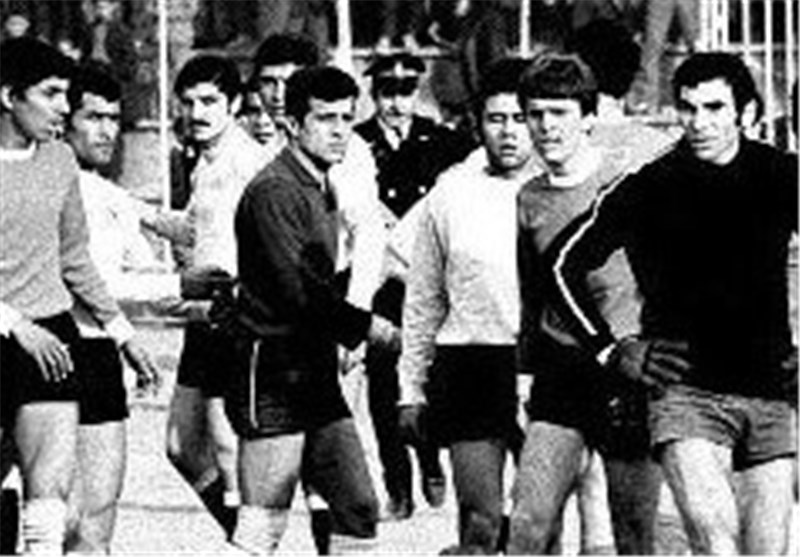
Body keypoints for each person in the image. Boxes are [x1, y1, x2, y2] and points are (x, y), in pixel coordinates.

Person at [555, 52, 798, 554]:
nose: (699, 123)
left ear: (747, 112)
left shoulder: (781, 175)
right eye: (688, 108)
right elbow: (562, 266)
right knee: (715, 543)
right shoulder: (651, 185)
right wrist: (611, 349)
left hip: (770, 391)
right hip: (684, 393)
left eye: (714, 108)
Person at [226, 65, 397, 555]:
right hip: (272, 364)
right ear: (293, 124)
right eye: (325, 119)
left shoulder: (322, 183)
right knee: (263, 520)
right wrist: (371, 329)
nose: (340, 131)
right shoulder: (275, 190)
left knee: (358, 506)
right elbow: (300, 294)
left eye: (346, 118)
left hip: (313, 365)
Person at [0, 36, 155, 554]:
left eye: (66, 95)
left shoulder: (60, 159)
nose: (63, 108)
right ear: (8, 96)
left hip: (52, 338)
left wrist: (122, 332)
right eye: (50, 94)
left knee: (50, 503)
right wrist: (14, 325)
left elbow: (74, 258)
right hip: (12, 330)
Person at [507, 52, 663, 555]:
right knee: (528, 521)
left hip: (625, 370)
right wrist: (524, 371)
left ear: (589, 117)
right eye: (535, 114)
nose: (546, 127)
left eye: (559, 113)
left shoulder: (626, 187)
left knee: (634, 533)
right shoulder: (528, 198)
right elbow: (533, 291)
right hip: (561, 370)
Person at [396, 57, 536, 554]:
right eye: (497, 119)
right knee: (479, 523)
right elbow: (423, 300)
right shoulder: (451, 192)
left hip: (544, 365)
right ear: (477, 124)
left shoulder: (561, 189)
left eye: (521, 118)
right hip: (471, 364)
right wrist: (411, 388)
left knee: (537, 527)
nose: (510, 132)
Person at [145, 54, 266, 542]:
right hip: (204, 318)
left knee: (226, 442)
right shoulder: (205, 161)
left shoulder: (246, 162)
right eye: (189, 102)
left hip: (234, 316)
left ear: (234, 104)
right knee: (181, 445)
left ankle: (250, 544)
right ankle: (244, 539)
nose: (197, 113)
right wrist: (130, 211)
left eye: (210, 102)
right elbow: (197, 231)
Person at [62, 60, 164, 554]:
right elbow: (82, 276)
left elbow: (145, 278)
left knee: (96, 517)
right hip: (42, 349)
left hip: (99, 351)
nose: (107, 132)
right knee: (49, 513)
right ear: (65, 120)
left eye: (114, 120)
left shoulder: (112, 196)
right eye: (94, 118)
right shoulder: (40, 186)